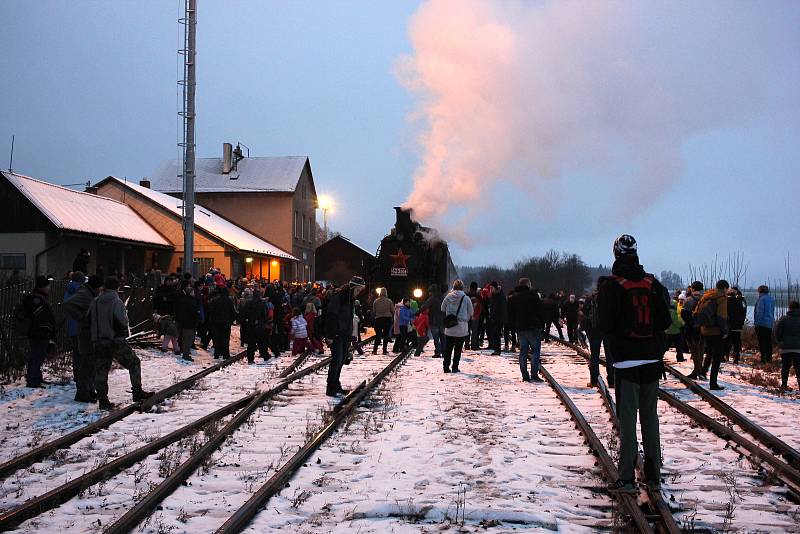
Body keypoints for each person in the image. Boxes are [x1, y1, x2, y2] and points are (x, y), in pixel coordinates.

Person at [598, 234, 670, 493]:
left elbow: (604, 325)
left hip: (626, 362)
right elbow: (665, 321)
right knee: (650, 417)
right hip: (651, 360)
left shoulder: (611, 285)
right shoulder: (652, 283)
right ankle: (653, 476)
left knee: (627, 420)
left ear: (615, 253)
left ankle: (627, 478)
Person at [88, 276, 154, 410]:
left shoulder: (95, 301)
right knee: (134, 363)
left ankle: (103, 400)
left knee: (101, 370)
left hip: (99, 341)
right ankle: (137, 391)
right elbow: (123, 321)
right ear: (117, 287)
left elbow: (88, 318)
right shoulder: (116, 302)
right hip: (115, 341)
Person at [62, 274, 104, 401]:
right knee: (86, 363)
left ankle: (89, 390)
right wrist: (81, 317)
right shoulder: (85, 294)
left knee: (90, 363)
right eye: (99, 287)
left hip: (89, 332)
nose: (100, 290)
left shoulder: (89, 293)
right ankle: (82, 393)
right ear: (95, 286)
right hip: (85, 333)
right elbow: (68, 304)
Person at [324, 276, 366, 396]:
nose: (359, 293)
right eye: (358, 290)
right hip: (337, 333)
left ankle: (336, 385)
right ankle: (331, 387)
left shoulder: (350, 300)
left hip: (345, 334)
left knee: (342, 360)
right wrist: (330, 335)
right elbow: (332, 316)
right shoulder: (339, 298)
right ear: (352, 287)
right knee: (336, 360)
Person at [21, 276, 56, 388]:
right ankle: (32, 380)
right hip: (39, 331)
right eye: (47, 286)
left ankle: (36, 378)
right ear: (43, 287)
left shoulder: (39, 298)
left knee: (39, 356)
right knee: (36, 356)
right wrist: (47, 326)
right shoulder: (37, 300)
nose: (49, 288)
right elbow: (40, 316)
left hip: (39, 331)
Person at [507, 277, 544, 382]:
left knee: (523, 351)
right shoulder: (534, 296)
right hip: (534, 327)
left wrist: (513, 326)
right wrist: (542, 325)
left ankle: (525, 375)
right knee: (535, 351)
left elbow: (511, 314)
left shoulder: (514, 298)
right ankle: (534, 375)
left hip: (521, 328)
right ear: (528, 285)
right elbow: (540, 311)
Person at [697, 279, 730, 390]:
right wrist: (725, 331)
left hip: (704, 329)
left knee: (709, 352)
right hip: (716, 331)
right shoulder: (721, 298)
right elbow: (721, 317)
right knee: (717, 357)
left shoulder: (706, 296)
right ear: (725, 288)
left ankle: (703, 371)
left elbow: (696, 312)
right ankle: (713, 383)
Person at [441, 279, 474, 373]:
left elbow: (442, 308)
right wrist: (465, 317)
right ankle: (455, 367)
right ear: (462, 287)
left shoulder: (448, 296)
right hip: (462, 328)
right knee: (458, 349)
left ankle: (446, 367)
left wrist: (450, 311)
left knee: (448, 348)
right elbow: (471, 312)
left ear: (454, 287)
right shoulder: (466, 298)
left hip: (450, 326)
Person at [241, 288, 275, 363]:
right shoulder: (262, 303)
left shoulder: (248, 303)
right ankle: (265, 355)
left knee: (251, 344)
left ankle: (250, 359)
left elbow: (245, 314)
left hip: (251, 325)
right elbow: (265, 314)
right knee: (261, 342)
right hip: (260, 325)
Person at [774, 300, 800, 390]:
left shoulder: (783, 319)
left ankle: (784, 384)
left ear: (789, 308)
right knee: (798, 367)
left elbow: (777, 332)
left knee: (785, 366)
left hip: (786, 347)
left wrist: (780, 342)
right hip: (798, 348)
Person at [683, 281, 706, 379]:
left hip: (691, 329)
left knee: (694, 351)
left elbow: (684, 315)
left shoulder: (688, 300)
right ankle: (699, 371)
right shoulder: (706, 299)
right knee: (700, 349)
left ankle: (697, 371)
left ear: (692, 288)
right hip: (703, 328)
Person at [208, 285, 237, 359]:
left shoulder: (215, 300)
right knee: (225, 339)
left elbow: (212, 312)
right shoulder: (229, 301)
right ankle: (225, 354)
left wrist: (212, 321)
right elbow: (233, 312)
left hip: (216, 322)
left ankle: (216, 354)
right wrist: (231, 320)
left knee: (217, 338)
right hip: (226, 322)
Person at [175, 281, 199, 362]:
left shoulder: (182, 300)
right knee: (188, 340)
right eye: (193, 292)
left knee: (184, 338)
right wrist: (197, 314)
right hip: (190, 323)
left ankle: (184, 352)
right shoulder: (192, 301)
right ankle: (186, 354)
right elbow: (193, 312)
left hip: (183, 322)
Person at [420, 284, 445, 358]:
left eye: (430, 292)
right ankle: (444, 352)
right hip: (443, 321)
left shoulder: (432, 299)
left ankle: (437, 352)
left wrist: (417, 313)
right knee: (443, 338)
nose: (429, 293)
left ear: (432, 291)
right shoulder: (443, 298)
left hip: (434, 321)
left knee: (436, 338)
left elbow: (424, 307)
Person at [754, 285, 775, 363]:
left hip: (761, 324)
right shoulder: (771, 299)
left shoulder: (761, 299)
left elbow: (760, 312)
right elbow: (772, 311)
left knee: (762, 342)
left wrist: (756, 323)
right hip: (769, 323)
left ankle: (763, 358)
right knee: (768, 341)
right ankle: (769, 358)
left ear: (760, 291)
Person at [725, 287, 746, 363]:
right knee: (736, 341)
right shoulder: (740, 301)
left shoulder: (725, 301)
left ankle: (726, 355)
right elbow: (744, 312)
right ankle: (736, 356)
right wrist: (741, 321)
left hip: (728, 325)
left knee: (727, 341)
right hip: (737, 325)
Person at [487, 281, 507, 355]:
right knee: (495, 333)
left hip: (498, 318)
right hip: (494, 317)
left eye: (491, 288)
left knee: (496, 333)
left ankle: (497, 349)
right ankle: (496, 348)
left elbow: (503, 307)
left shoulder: (500, 295)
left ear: (495, 288)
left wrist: (503, 318)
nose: (490, 289)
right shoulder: (494, 295)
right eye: (490, 288)